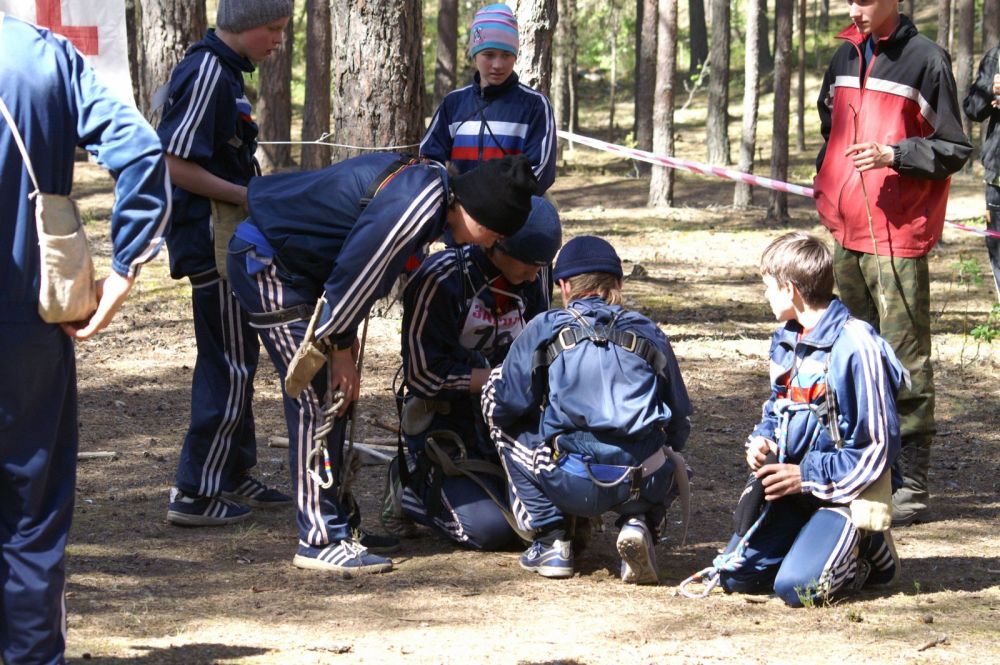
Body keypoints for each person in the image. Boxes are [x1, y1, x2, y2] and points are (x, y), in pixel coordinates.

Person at [226, 153, 538, 575]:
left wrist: (342, 336)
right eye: (494, 233)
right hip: (269, 263)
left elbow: (356, 268)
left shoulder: (432, 190)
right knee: (318, 396)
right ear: (479, 211)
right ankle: (320, 537)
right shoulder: (418, 203)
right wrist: (338, 344)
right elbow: (357, 270)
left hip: (301, 268)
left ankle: (339, 523)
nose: (488, 244)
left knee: (336, 395)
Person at [0, 13, 171, 664]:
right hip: (27, 322)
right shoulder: (42, 55)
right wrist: (124, 269)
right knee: (30, 512)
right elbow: (141, 151)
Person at [813, 0, 971, 527]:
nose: (850, 9)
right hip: (846, 231)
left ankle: (912, 485)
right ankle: (864, 468)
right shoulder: (844, 55)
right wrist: (827, 183)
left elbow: (953, 147)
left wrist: (894, 155)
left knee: (904, 356)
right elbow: (830, 128)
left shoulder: (926, 59)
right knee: (852, 354)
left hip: (897, 235)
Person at [481, 236, 692, 583]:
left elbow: (506, 404)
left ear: (564, 286)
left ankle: (551, 540)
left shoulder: (546, 326)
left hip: (575, 481)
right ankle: (640, 521)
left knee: (496, 407)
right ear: (619, 283)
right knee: (667, 453)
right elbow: (679, 417)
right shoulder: (649, 330)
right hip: (645, 480)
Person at [158, 0, 294, 527]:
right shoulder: (208, 72)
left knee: (238, 355)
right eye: (273, 28)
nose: (279, 40)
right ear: (242, 23)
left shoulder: (228, 72)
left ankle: (232, 471)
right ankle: (196, 490)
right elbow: (174, 163)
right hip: (210, 240)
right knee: (229, 363)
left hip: (228, 236)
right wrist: (246, 195)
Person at [716, 232, 906, 607]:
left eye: (767, 286)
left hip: (847, 491)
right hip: (793, 488)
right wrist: (762, 441)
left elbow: (878, 447)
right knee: (737, 577)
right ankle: (813, 539)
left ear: (790, 290)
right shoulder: (786, 339)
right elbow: (776, 407)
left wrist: (806, 476)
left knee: (797, 589)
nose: (765, 295)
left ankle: (867, 542)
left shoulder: (856, 346)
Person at [387, 196, 562, 550]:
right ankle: (411, 487)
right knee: (492, 531)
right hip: (448, 427)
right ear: (496, 244)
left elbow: (539, 346)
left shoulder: (536, 274)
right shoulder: (442, 278)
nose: (536, 274)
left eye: (543, 265)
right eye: (529, 264)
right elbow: (421, 375)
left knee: (553, 516)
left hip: (511, 422)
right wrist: (496, 379)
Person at [420, 3, 556, 195]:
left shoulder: (534, 105)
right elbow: (430, 159)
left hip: (513, 210)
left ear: (515, 56)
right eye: (489, 55)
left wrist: (492, 204)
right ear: (475, 55)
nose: (498, 65)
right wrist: (453, 199)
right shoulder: (453, 103)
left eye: (506, 55)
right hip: (456, 208)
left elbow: (539, 172)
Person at [962, 45, 1000, 300]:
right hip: (997, 180)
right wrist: (991, 90)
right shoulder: (995, 57)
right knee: (998, 254)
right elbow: (973, 109)